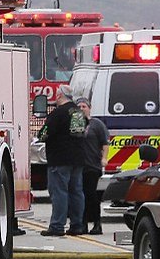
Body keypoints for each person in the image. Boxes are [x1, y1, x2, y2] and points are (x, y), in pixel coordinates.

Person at [38, 85, 86, 236]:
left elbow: (43, 134)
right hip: (77, 159)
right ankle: (77, 225)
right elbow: (81, 133)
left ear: (59, 95)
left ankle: (57, 226)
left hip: (59, 159)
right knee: (76, 192)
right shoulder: (78, 112)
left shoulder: (57, 114)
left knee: (59, 192)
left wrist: (41, 134)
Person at [76, 97, 109, 235]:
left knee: (92, 196)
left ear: (89, 108)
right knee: (80, 196)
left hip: (92, 166)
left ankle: (97, 224)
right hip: (78, 166)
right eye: (79, 107)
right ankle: (82, 224)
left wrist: (104, 158)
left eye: (84, 106)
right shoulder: (75, 125)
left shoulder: (97, 124)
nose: (82, 109)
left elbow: (105, 143)